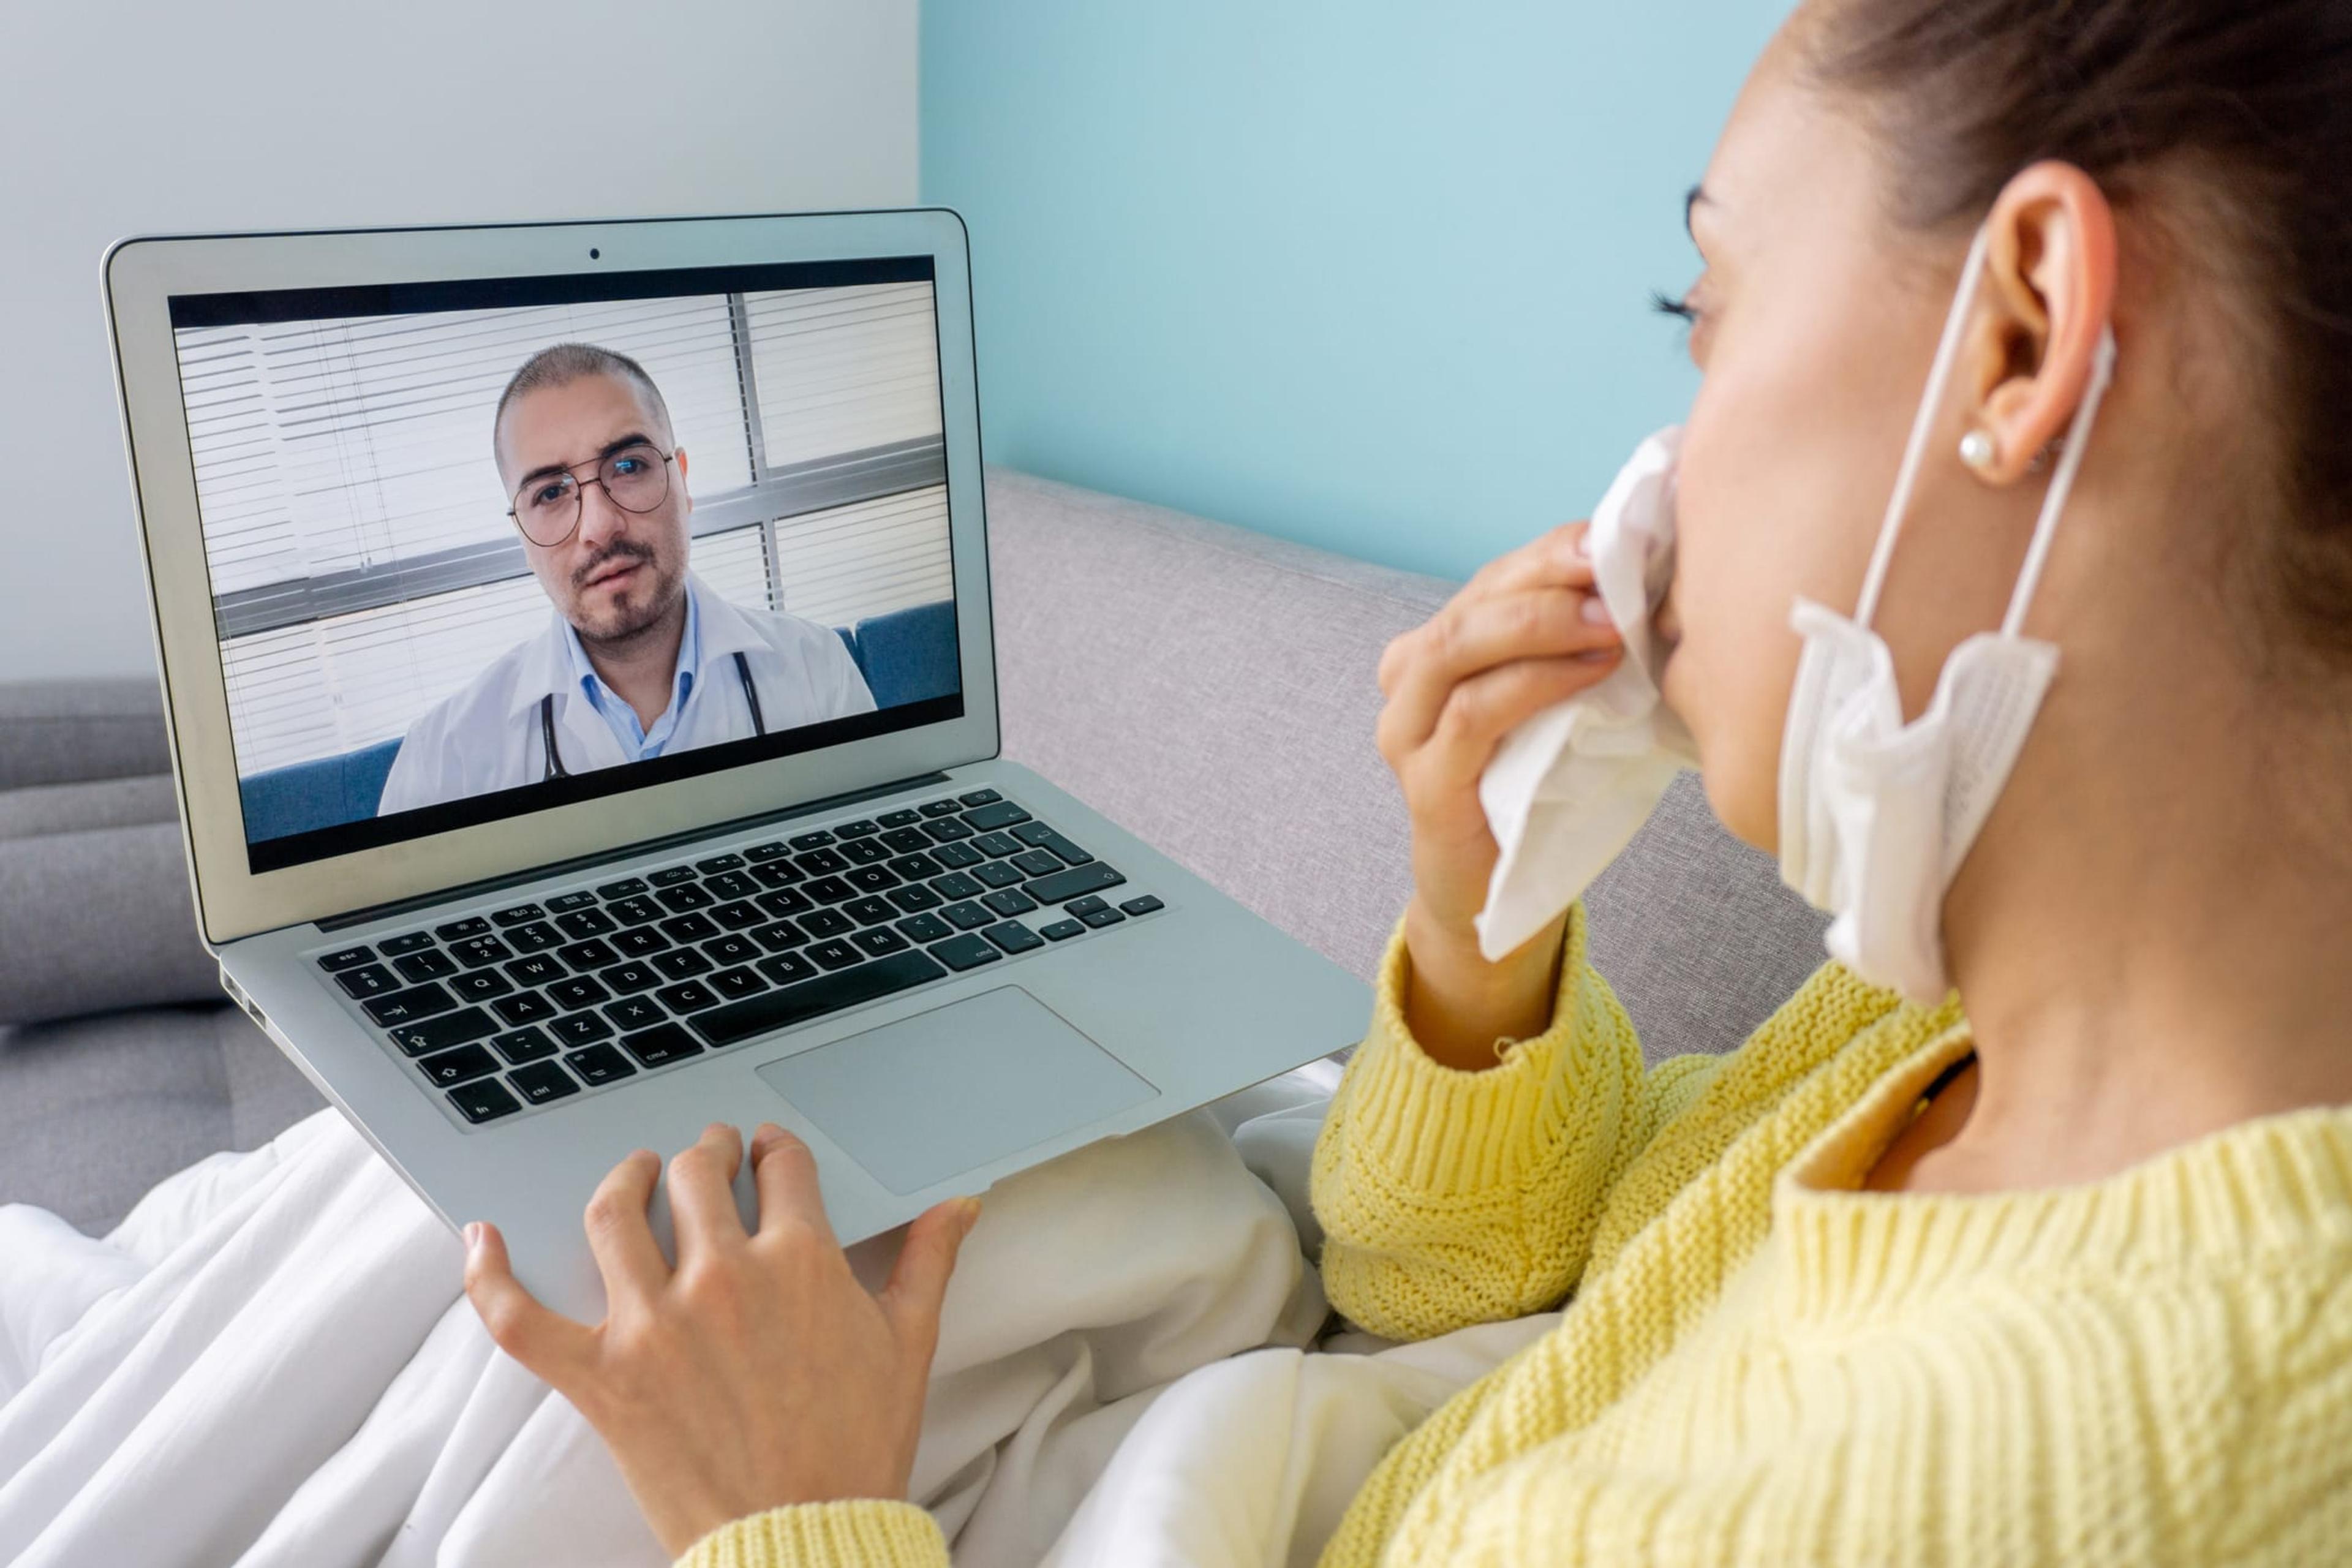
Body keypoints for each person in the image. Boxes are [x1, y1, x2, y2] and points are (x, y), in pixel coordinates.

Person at [454, 0, 2352, 1562]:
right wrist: (1477, 929)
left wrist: (788, 1518)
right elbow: (1451, 1280)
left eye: (1701, 315)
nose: (1654, 481)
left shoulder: (2017, 1475)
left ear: (2017, 334)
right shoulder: (1926, 1016)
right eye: (548, 489)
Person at [375, 344, 874, 816]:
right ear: (522, 537)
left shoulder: (817, 674)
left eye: (629, 466)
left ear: (682, 481)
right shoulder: (441, 765)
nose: (599, 527)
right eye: (550, 494)